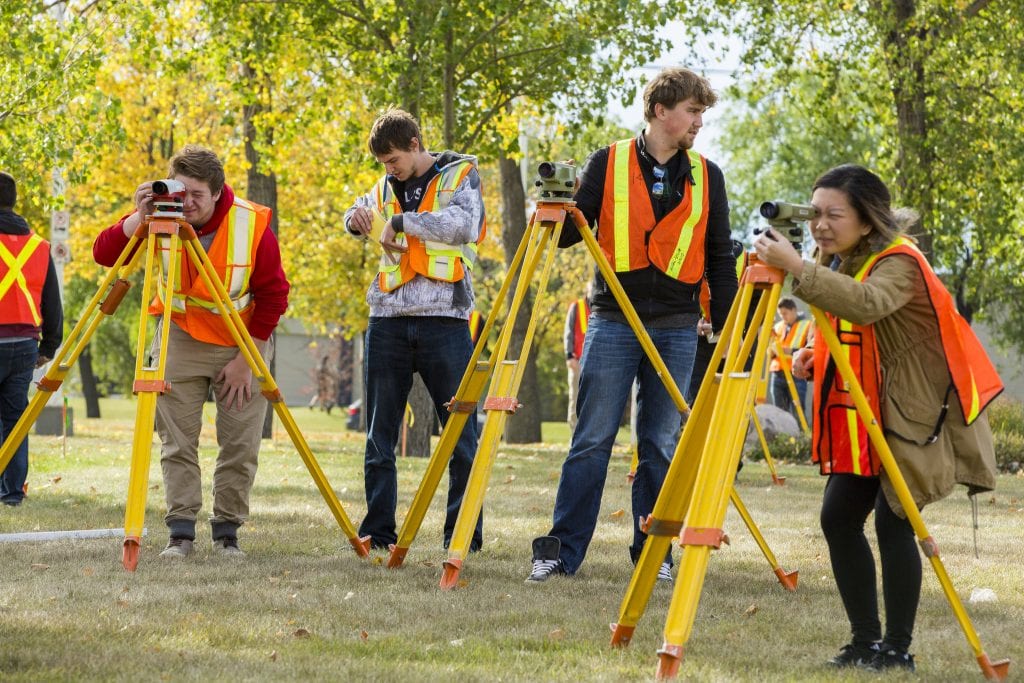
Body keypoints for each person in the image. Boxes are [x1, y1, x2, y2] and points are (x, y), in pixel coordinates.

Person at [754, 164, 1001, 672]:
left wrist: (799, 267)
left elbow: (867, 307)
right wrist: (815, 356)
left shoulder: (900, 262)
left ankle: (897, 649)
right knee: (838, 518)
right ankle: (864, 642)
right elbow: (851, 329)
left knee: (894, 523)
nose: (821, 224)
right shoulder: (844, 260)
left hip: (912, 415)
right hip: (866, 414)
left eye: (833, 215)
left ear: (867, 221)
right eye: (815, 213)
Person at [527, 67, 738, 583]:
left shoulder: (709, 176)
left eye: (702, 113)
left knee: (661, 444)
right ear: (660, 110)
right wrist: (552, 209)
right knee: (591, 439)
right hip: (614, 321)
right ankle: (561, 553)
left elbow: (719, 259)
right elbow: (571, 235)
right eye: (693, 111)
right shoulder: (609, 161)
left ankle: (654, 554)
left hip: (678, 326)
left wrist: (731, 331)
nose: (699, 123)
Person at [93, 146, 289, 558]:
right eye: (184, 192)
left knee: (240, 443)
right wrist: (138, 218)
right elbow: (104, 254)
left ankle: (227, 532)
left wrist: (247, 359)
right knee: (177, 441)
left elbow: (274, 295)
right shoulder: (161, 216)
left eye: (198, 194)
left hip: (241, 340)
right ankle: (181, 531)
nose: (190, 203)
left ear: (219, 192)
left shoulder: (250, 223)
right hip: (179, 337)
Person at [344, 108, 485, 552]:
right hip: (387, 321)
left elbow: (465, 225)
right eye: (383, 163)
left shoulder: (460, 175)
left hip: (446, 321)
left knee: (461, 436)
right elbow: (357, 209)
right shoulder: (384, 185)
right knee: (379, 435)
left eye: (393, 160)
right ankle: (379, 532)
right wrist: (356, 220)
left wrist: (403, 221)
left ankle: (462, 536)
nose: (389, 169)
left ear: (415, 144)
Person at [0, 173, 63, 507]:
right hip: (24, 345)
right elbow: (52, 301)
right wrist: (49, 346)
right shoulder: (38, 246)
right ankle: (11, 494)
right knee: (15, 420)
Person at [766, 298, 811, 415]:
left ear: (794, 310)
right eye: (781, 314)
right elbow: (771, 350)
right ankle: (783, 434)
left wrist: (791, 351)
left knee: (798, 411)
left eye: (785, 313)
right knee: (779, 412)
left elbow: (810, 349)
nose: (783, 317)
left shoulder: (807, 325)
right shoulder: (778, 326)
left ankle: (801, 432)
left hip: (796, 373)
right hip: (777, 372)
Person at [562, 284, 592, 431]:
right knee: (575, 398)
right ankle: (574, 433)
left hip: (595, 362)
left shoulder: (602, 308)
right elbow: (568, 332)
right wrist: (569, 356)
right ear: (587, 289)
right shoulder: (576, 307)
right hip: (577, 361)